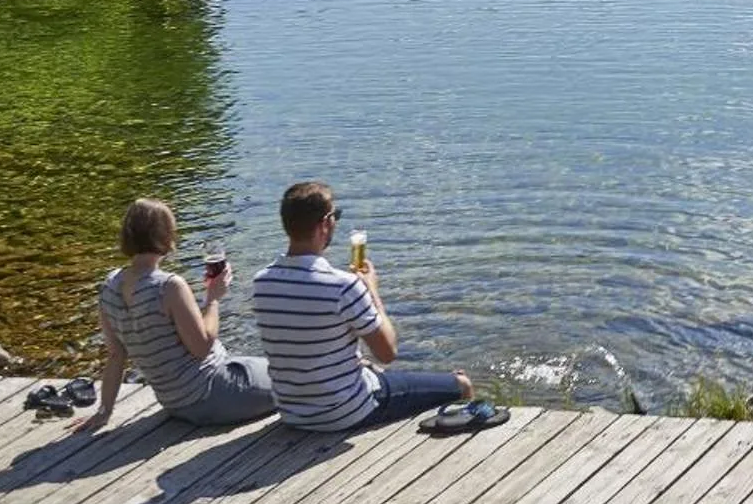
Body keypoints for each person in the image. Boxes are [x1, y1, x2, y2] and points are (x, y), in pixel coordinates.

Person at [251, 181, 471, 431]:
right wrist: (371, 290)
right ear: (325, 224)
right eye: (336, 216)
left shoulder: (261, 282)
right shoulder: (343, 286)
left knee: (368, 364)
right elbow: (388, 353)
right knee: (461, 384)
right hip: (346, 411)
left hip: (293, 413)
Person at [82, 198, 276, 432]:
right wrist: (213, 298)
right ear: (166, 236)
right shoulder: (169, 286)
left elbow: (116, 355)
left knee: (266, 365)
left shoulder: (109, 287)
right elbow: (202, 347)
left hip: (175, 402)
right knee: (292, 378)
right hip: (212, 393)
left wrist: (104, 412)